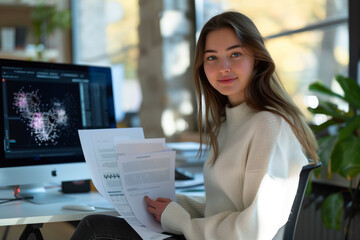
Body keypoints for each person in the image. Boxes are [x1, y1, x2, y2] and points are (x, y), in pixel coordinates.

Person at [70, 11, 318, 240]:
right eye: (212, 58)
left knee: (95, 229)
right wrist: (176, 206)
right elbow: (225, 207)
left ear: (257, 59)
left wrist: (184, 223)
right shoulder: (226, 123)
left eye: (235, 54)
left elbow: (255, 228)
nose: (224, 68)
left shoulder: (269, 124)